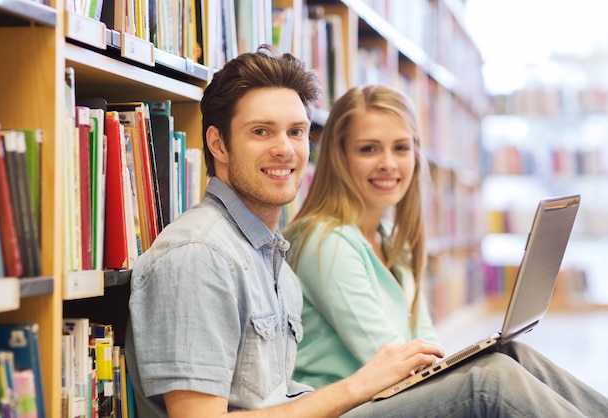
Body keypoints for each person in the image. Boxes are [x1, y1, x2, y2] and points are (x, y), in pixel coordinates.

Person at [123, 44, 606, 417]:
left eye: (295, 132)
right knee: (492, 381)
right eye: (261, 131)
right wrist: (359, 386)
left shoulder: (267, 255)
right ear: (218, 144)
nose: (286, 149)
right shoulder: (198, 255)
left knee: (510, 356)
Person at [283, 84, 608, 416]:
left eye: (401, 148)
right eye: (368, 149)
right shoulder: (324, 241)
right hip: (348, 408)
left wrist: (461, 361)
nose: (388, 163)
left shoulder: (390, 239)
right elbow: (392, 362)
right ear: (339, 157)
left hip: (389, 397)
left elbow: (426, 346)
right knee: (491, 379)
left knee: (512, 353)